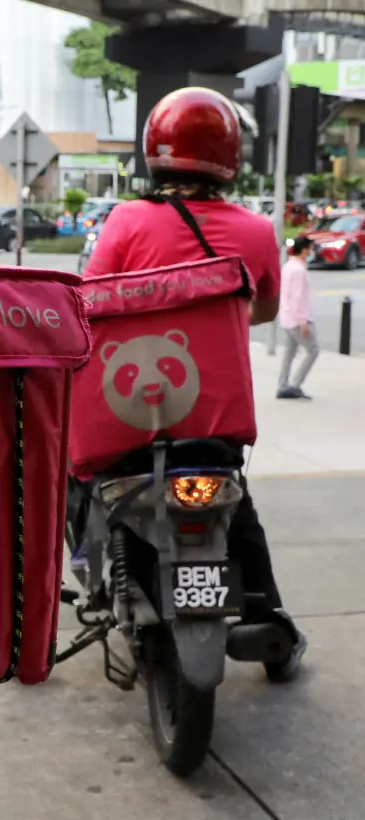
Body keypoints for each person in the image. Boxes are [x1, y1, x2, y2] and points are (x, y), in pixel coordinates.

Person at [82, 86, 305, 681]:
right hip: (214, 428)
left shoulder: (128, 220)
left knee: (82, 478)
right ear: (231, 157)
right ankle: (271, 617)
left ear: (155, 151)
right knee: (239, 507)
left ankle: (91, 573)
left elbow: (91, 305)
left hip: (128, 424)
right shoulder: (258, 231)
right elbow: (261, 310)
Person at [277, 236, 319, 399]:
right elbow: (298, 297)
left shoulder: (288, 266)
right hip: (296, 320)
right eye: (310, 249)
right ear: (304, 249)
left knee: (289, 353)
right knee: (313, 350)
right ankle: (294, 384)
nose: (311, 252)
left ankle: (283, 385)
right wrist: (303, 322)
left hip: (287, 317)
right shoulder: (298, 270)